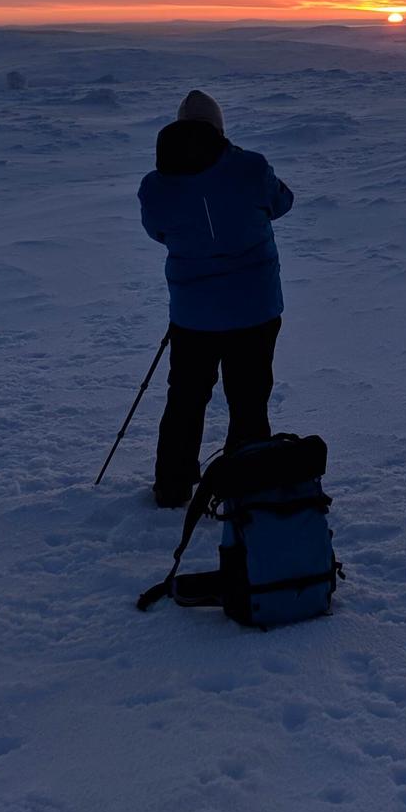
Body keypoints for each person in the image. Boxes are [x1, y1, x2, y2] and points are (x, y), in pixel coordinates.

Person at [138, 90, 294, 508]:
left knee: (186, 398)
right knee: (249, 398)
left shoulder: (156, 185)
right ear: (219, 129)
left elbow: (158, 232)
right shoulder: (250, 167)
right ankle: (245, 487)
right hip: (255, 309)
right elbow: (282, 202)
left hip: (193, 314)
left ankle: (172, 487)